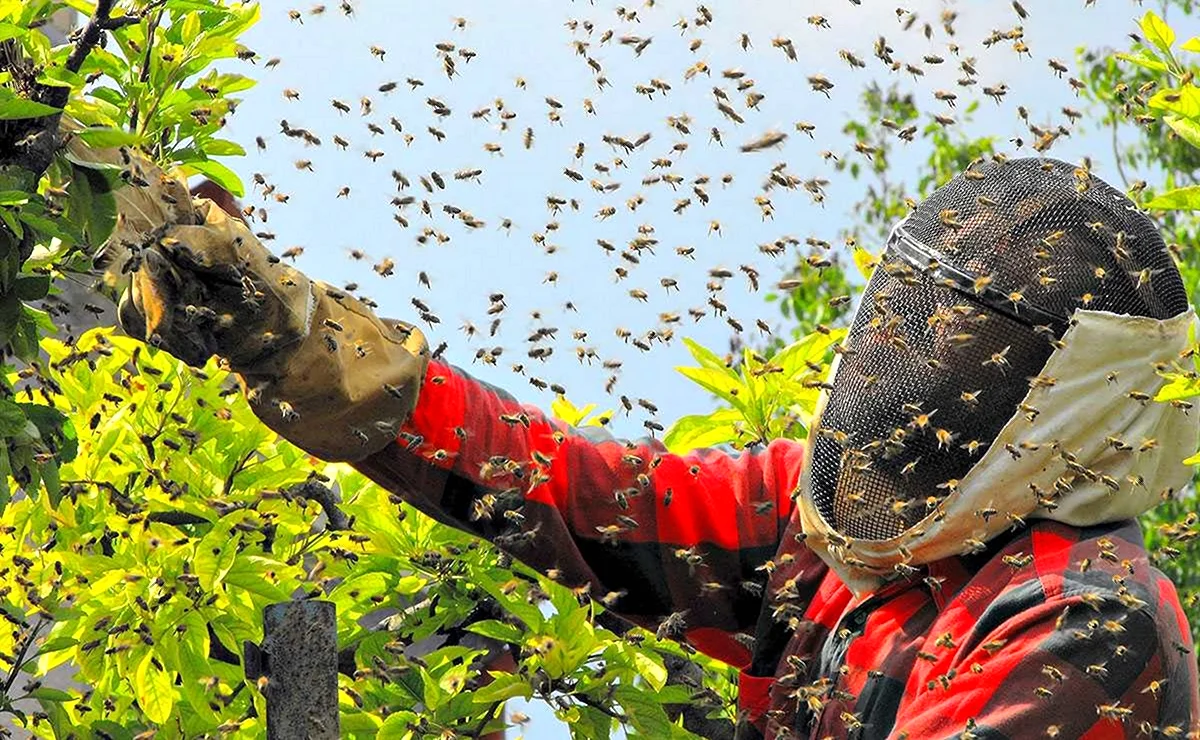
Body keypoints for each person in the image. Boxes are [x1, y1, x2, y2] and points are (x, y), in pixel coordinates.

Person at [102, 136, 1199, 739]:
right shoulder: (830, 531)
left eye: (958, 351)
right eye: (913, 330)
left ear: (1074, 403)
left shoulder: (1080, 624)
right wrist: (297, 339)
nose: (904, 373)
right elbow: (576, 492)